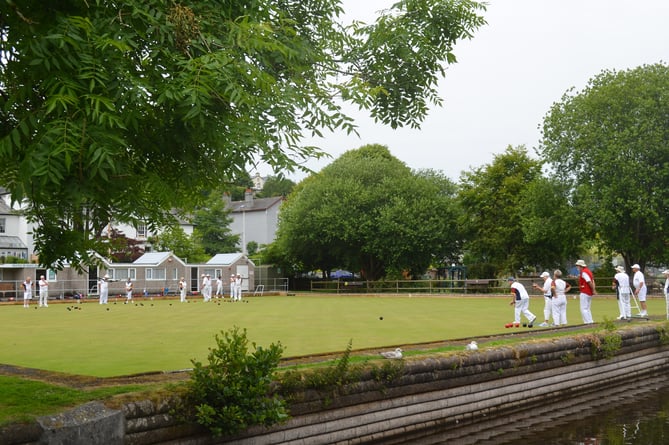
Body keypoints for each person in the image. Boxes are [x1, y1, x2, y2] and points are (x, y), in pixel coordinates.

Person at [575, 259, 596, 324]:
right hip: (589, 292)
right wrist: (593, 289)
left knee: (583, 308)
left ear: (580, 266)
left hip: (585, 291)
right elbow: (593, 281)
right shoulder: (588, 271)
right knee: (587, 308)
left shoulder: (584, 272)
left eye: (577, 266)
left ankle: (587, 322)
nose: (577, 267)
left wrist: (593, 290)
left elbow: (589, 281)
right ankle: (590, 320)